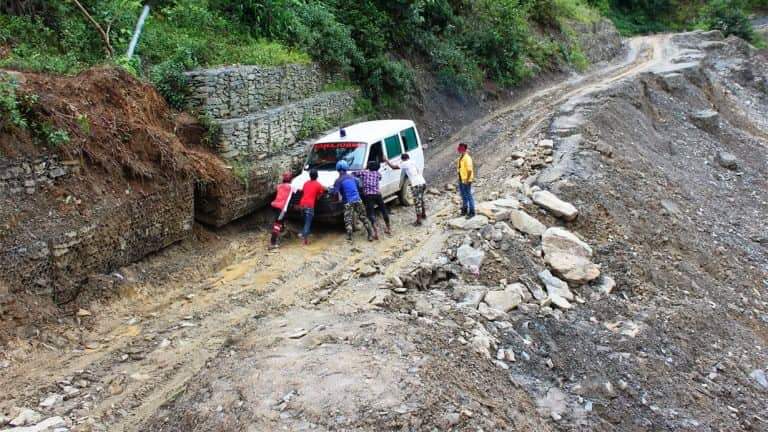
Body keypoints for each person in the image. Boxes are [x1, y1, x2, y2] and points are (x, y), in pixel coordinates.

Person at [330, 160, 374, 242]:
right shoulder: (353, 177)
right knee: (363, 217)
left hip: (347, 202)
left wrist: (331, 191)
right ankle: (370, 235)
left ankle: (350, 237)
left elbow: (335, 193)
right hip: (357, 199)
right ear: (346, 168)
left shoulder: (338, 180)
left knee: (348, 219)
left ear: (337, 169)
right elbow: (359, 186)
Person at [385, 152, 427, 226]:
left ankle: (419, 221)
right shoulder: (413, 162)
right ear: (408, 157)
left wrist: (386, 160)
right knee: (421, 199)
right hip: (423, 182)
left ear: (403, 159)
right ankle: (424, 215)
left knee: (417, 202)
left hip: (416, 184)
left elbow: (393, 167)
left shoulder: (405, 163)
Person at [353, 160, 390, 237]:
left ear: (368, 167)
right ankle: (388, 228)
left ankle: (376, 232)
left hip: (368, 196)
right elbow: (379, 178)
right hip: (377, 194)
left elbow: (354, 174)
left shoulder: (364, 173)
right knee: (383, 210)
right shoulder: (378, 174)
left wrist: (364, 169)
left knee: (371, 213)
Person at [297, 168, 325, 245]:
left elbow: (303, 191)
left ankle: (304, 233)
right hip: (309, 205)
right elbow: (320, 194)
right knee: (308, 223)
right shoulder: (318, 185)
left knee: (305, 220)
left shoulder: (306, 183)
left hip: (302, 204)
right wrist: (318, 196)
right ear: (317, 176)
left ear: (310, 176)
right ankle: (305, 240)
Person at [269, 172, 295, 248]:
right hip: (282, 208)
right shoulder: (292, 186)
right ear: (291, 179)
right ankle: (273, 243)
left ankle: (282, 231)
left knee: (280, 220)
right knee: (277, 224)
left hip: (274, 205)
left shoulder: (279, 186)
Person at [457, 142, 475, 219]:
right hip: (461, 179)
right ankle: (464, 209)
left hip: (466, 180)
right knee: (463, 195)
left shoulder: (467, 158)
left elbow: (469, 170)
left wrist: (467, 179)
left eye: (460, 148)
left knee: (468, 195)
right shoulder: (461, 157)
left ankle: (472, 212)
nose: (459, 150)